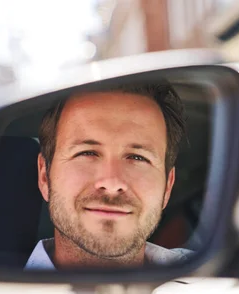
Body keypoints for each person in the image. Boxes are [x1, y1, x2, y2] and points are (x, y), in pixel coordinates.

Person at [25, 82, 193, 271]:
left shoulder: (215, 285)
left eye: (138, 157)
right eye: (87, 153)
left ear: (167, 187)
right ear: (44, 177)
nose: (112, 183)